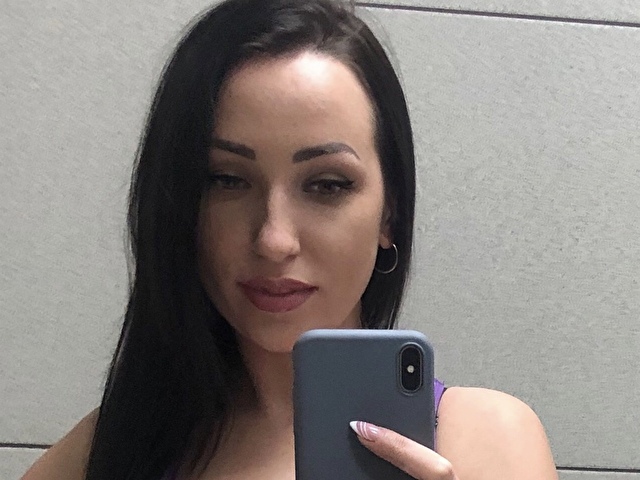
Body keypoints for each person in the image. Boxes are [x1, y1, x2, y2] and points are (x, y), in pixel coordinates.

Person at [22, 0, 558, 478]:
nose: (274, 240)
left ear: (388, 214)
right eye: (226, 180)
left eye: (327, 185)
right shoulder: (115, 447)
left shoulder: (489, 441)